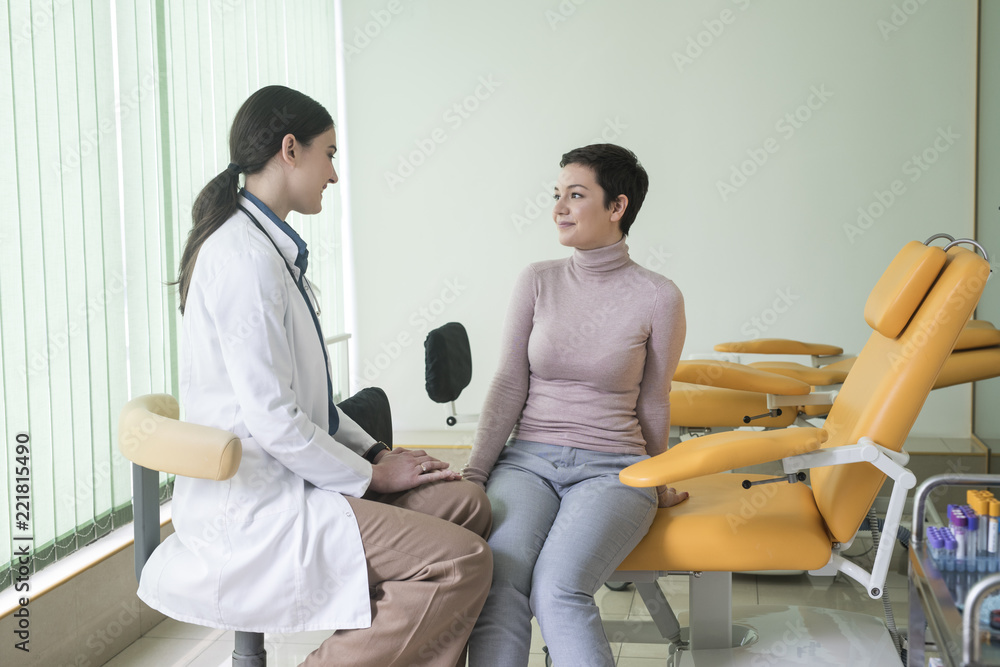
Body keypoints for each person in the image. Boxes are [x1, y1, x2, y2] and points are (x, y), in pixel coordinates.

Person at [137, 85, 492, 667]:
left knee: (467, 504)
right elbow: (275, 421)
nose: (333, 174)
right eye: (328, 153)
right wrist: (372, 476)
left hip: (298, 478)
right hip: (260, 504)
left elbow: (313, 405)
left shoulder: (269, 252)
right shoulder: (243, 261)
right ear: (290, 150)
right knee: (462, 560)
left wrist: (378, 452)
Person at [464, 144, 688, 667]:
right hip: (526, 464)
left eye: (576, 195)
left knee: (558, 590)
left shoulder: (658, 296)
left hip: (613, 470)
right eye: (556, 195)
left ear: (617, 208)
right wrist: (476, 473)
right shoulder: (537, 280)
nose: (559, 207)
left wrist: (657, 478)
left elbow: (655, 399)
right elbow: (508, 381)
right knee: (499, 586)